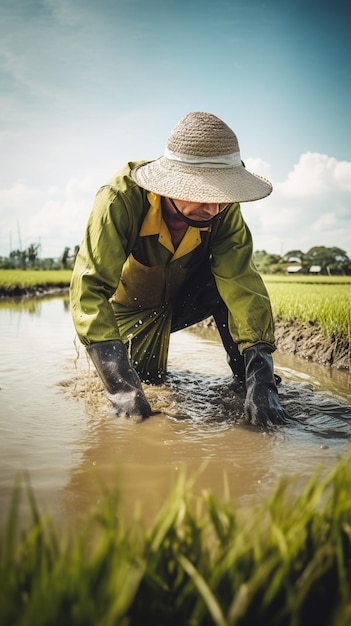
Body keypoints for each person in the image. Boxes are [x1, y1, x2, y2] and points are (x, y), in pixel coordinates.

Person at [70, 111, 290, 428]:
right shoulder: (121, 200)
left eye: (221, 197)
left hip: (185, 301)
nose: (214, 208)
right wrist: (122, 390)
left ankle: (246, 385)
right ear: (170, 183)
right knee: (144, 392)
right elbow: (89, 291)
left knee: (224, 286)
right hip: (130, 315)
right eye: (203, 194)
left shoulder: (223, 211)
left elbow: (242, 285)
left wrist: (262, 381)